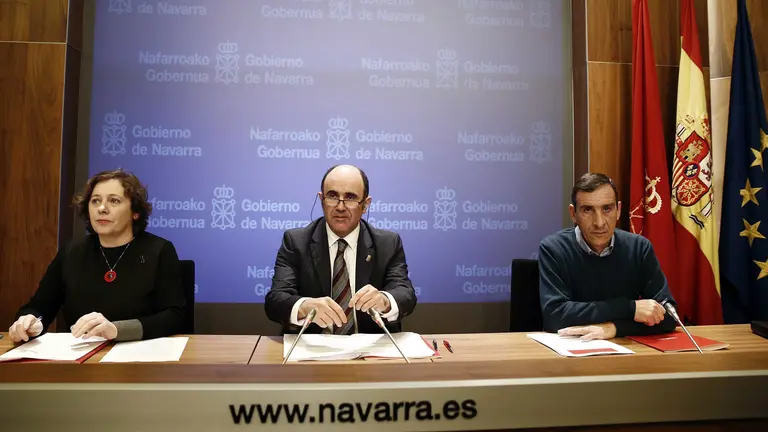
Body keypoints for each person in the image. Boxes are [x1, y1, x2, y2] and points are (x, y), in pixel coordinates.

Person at [8, 169, 185, 343]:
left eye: (114, 201)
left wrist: (117, 330)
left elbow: (175, 316)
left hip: (138, 357)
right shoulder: (72, 252)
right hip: (79, 358)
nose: (102, 208)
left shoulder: (159, 250)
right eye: (95, 201)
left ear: (135, 212)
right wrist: (30, 322)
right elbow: (39, 306)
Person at [265, 164, 417, 334]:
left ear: (365, 204)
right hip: (313, 351)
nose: (340, 207)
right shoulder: (296, 242)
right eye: (332, 196)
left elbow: (406, 294)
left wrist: (384, 300)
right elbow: (275, 301)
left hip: (370, 350)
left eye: (350, 197)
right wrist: (304, 306)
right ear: (321, 199)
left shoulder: (388, 243)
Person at [538, 173, 677, 340]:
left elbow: (668, 317)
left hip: (626, 354)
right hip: (571, 352)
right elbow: (555, 316)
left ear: (618, 210)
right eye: (588, 210)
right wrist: (630, 309)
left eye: (607, 209)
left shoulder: (639, 248)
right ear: (573, 213)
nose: (599, 222)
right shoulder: (554, 249)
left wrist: (615, 328)